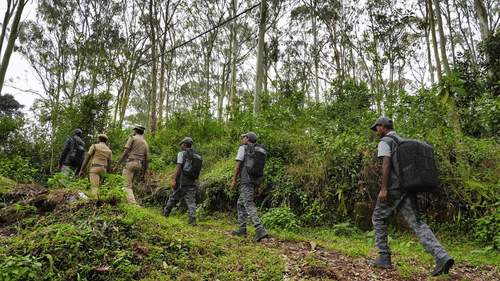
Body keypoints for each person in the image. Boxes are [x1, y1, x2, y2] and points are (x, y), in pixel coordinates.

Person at [369, 116, 454, 276]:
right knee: (417, 223)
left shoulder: (385, 142)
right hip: (408, 186)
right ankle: (442, 256)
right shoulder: (401, 141)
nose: (376, 132)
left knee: (378, 218)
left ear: (382, 126)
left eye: (376, 128)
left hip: (394, 188)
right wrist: (385, 173)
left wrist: (384, 189)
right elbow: (397, 167)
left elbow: (386, 163)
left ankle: (384, 258)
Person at [230, 132, 269, 241]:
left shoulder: (244, 148)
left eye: (244, 137)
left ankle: (260, 229)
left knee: (248, 203)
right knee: (240, 203)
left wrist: (234, 180)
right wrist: (259, 186)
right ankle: (242, 230)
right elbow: (261, 169)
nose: (243, 139)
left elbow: (238, 164)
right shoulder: (260, 150)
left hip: (247, 179)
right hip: (256, 180)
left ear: (248, 139)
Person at [163, 137, 199, 226]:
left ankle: (165, 214)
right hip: (192, 181)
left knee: (173, 197)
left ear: (184, 145)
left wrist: (174, 180)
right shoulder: (196, 155)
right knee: (191, 201)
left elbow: (179, 167)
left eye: (182, 144)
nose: (181, 146)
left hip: (182, 181)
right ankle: (193, 219)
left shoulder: (182, 154)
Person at [113, 125, 149, 206]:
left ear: (135, 131)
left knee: (126, 186)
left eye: (134, 130)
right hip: (139, 165)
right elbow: (147, 159)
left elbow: (125, 153)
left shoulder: (132, 138)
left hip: (130, 164)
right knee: (130, 186)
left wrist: (117, 165)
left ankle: (134, 205)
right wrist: (144, 173)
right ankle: (127, 204)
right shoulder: (145, 143)